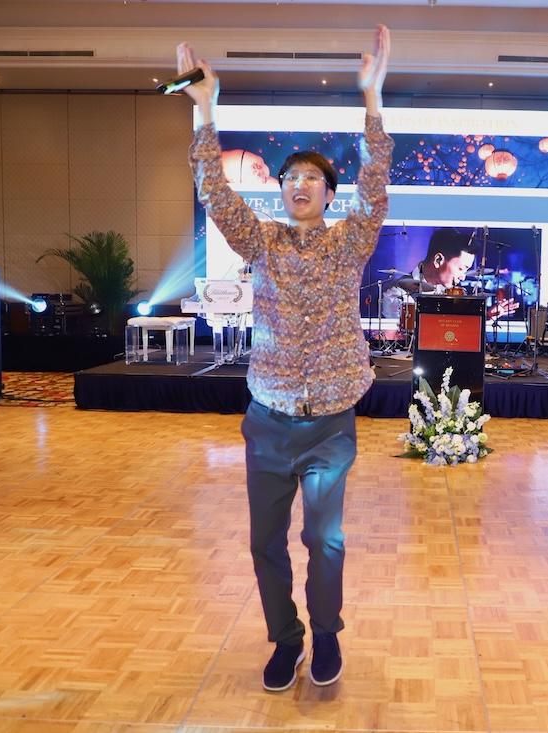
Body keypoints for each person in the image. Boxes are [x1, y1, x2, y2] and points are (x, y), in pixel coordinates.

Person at [179, 25, 393, 692]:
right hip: (269, 420)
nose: (300, 184)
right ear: (281, 190)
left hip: (329, 422)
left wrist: (373, 101)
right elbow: (216, 195)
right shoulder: (262, 240)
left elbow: (377, 186)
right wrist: (206, 111)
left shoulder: (350, 242)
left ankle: (326, 632)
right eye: (291, 176)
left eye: (313, 178)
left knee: (324, 541)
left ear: (329, 194)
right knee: (264, 543)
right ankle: (286, 638)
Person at [383, 227, 518, 321]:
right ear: (438, 260)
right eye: (461, 268)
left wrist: (487, 316)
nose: (463, 277)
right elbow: (396, 339)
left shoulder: (454, 292)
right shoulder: (396, 293)